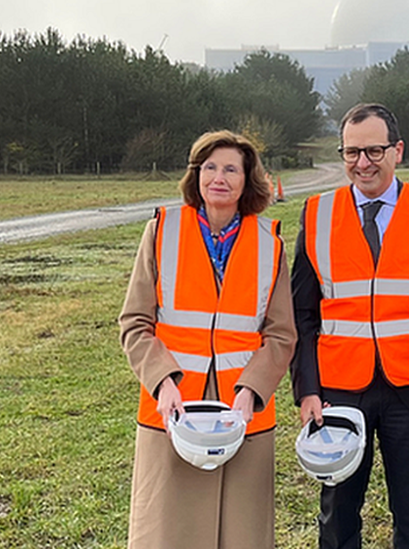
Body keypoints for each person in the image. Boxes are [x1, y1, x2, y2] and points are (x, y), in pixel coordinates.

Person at [290, 103, 409, 549]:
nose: (363, 163)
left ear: (398, 150)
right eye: (351, 152)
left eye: (374, 151)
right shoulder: (317, 213)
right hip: (340, 388)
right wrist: (307, 387)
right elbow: (302, 312)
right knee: (339, 510)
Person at [119, 130, 297, 549]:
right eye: (209, 167)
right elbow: (134, 323)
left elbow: (281, 333)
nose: (219, 177)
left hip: (242, 414)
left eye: (231, 168)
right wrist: (163, 382)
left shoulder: (269, 243)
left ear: (248, 178)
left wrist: (250, 392)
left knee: (243, 532)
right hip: (173, 408)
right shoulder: (161, 231)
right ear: (195, 175)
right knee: (168, 531)